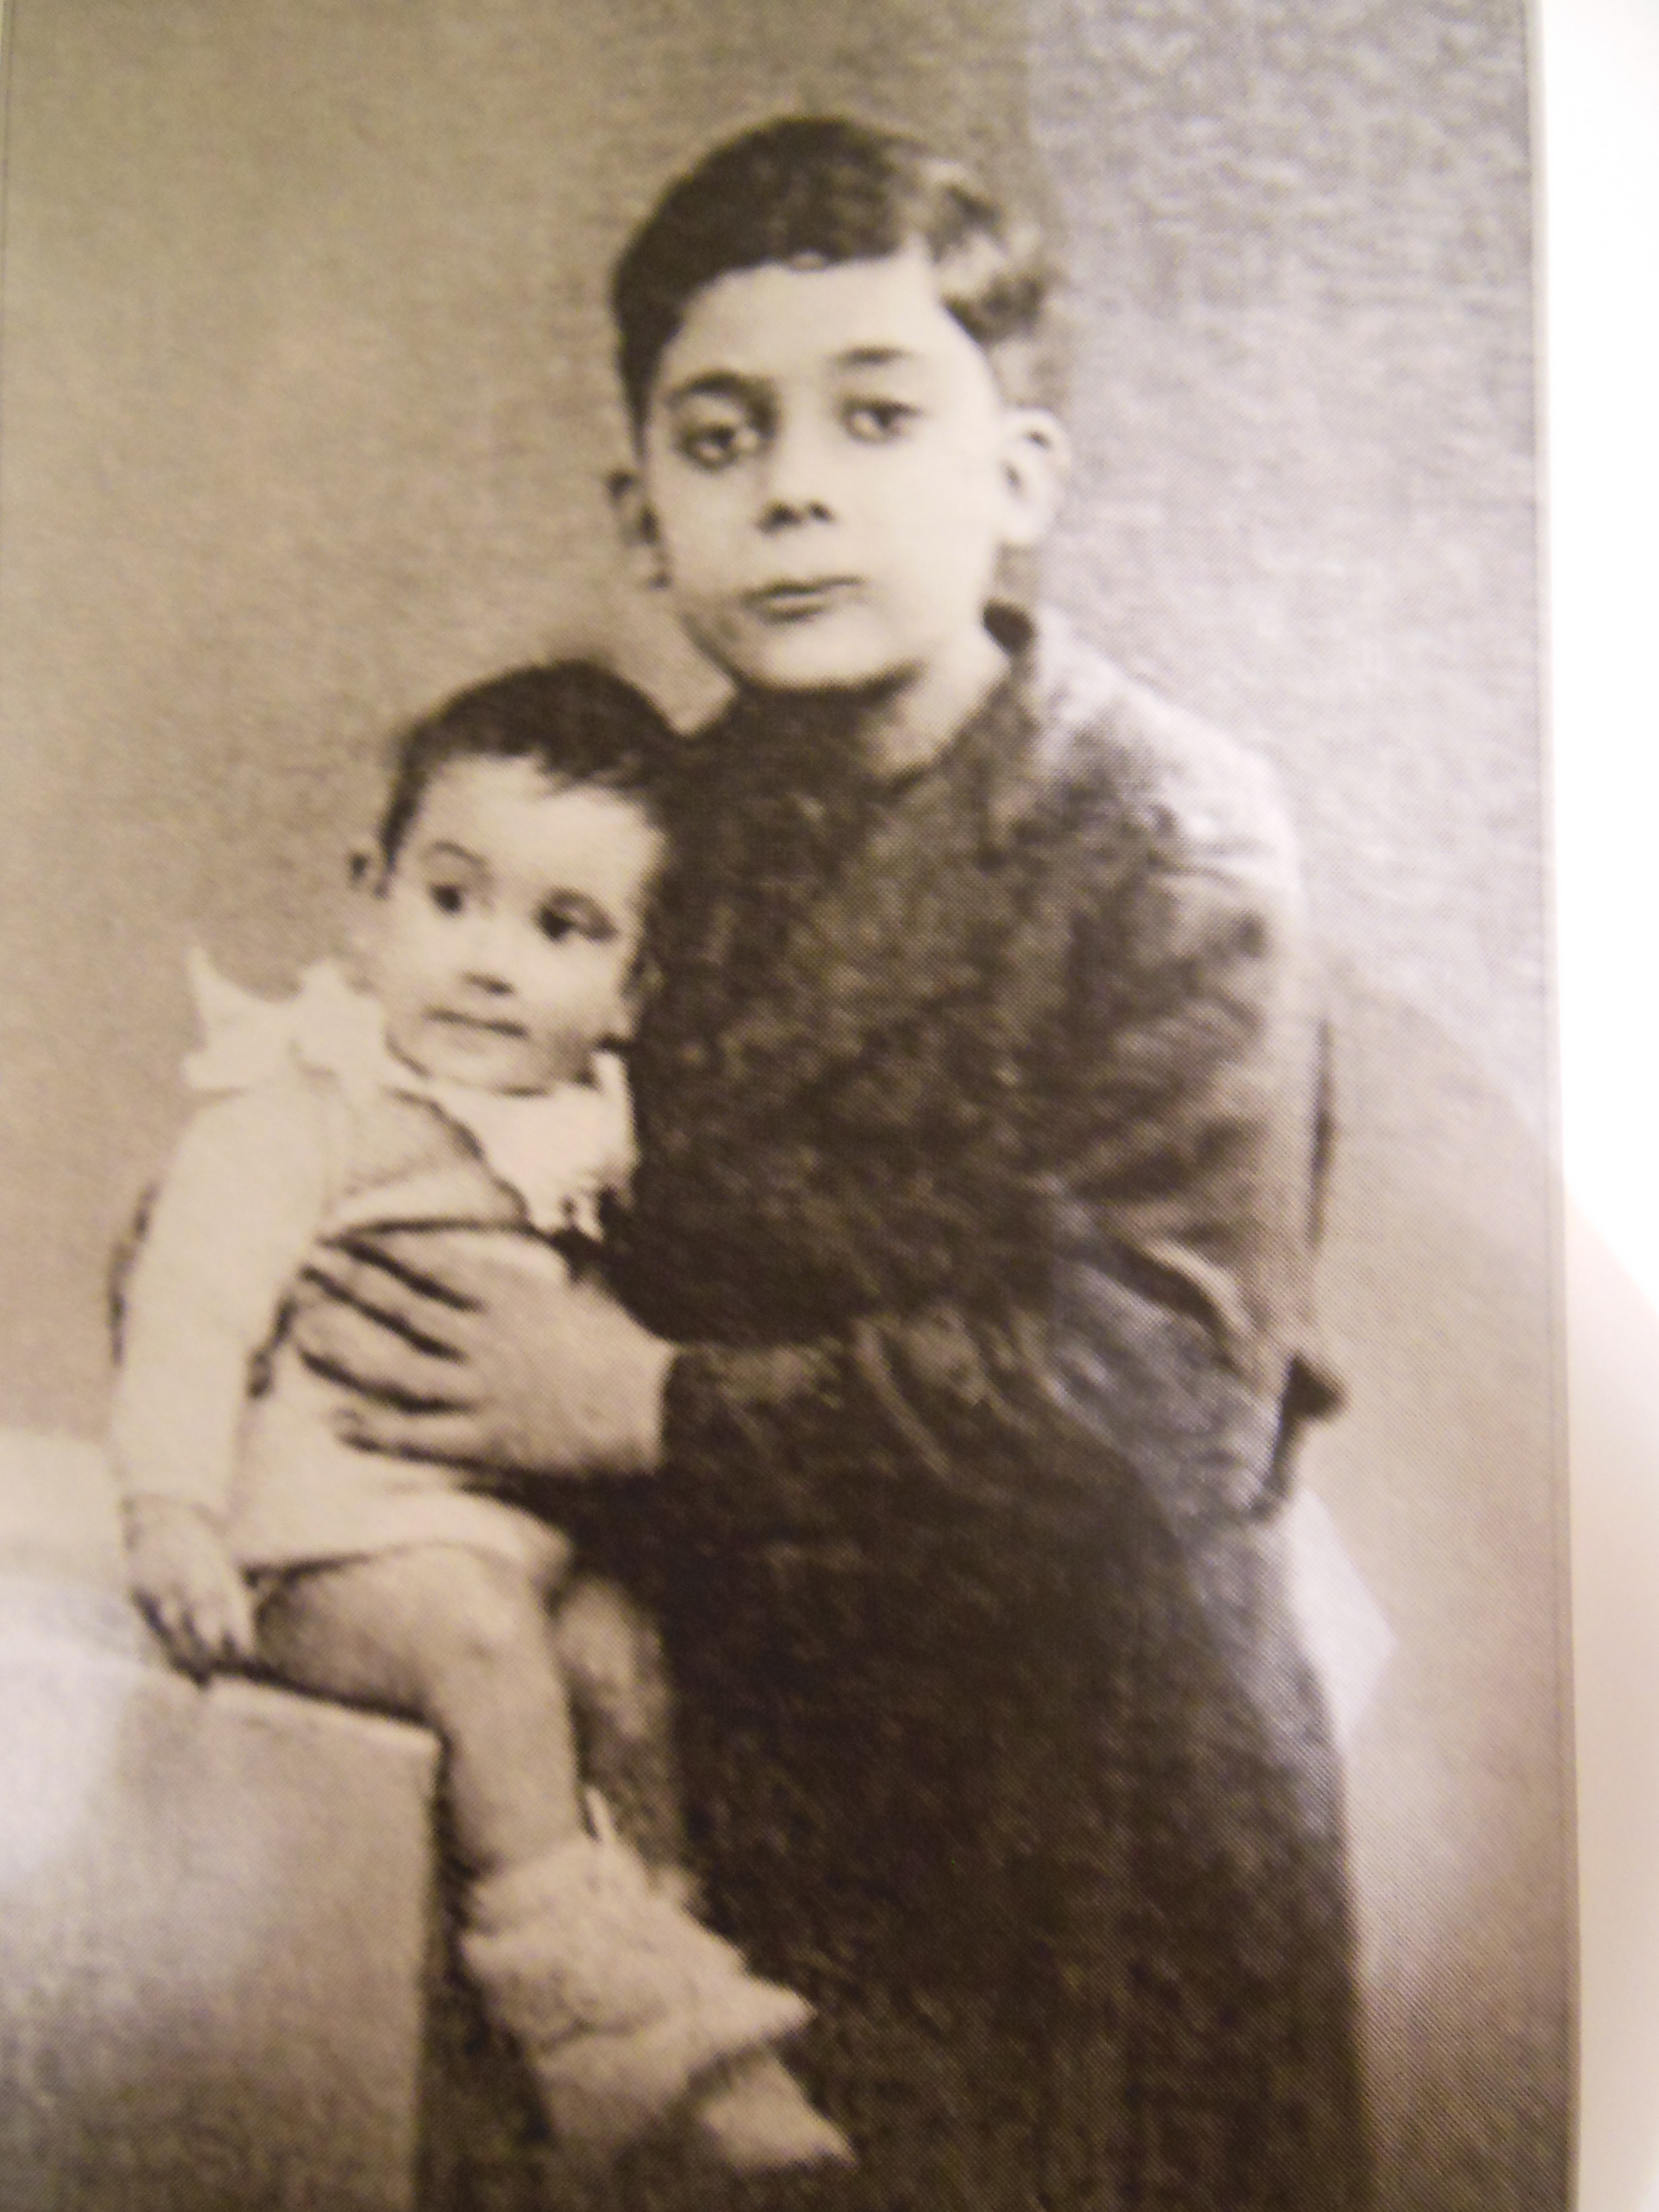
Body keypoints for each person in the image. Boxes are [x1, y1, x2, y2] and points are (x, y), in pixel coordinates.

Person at [293, 117, 1371, 2209]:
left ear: (1020, 478)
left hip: (1092, 1845)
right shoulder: (646, 847)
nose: (792, 489)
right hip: (728, 1793)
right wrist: (296, 1250)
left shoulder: (1170, 842)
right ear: (643, 519)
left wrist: (648, 1404)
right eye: (722, 440)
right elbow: (445, 1127)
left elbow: (1162, 1396)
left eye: (876, 419)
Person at [110, 660, 851, 2177]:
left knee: (619, 1657)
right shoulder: (305, 1107)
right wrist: (171, 1512)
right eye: (453, 901)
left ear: (636, 988)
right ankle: (601, 2032)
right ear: (368, 904)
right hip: (313, 1557)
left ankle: (667, 1964)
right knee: (483, 1641)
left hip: (500, 1546)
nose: (492, 966)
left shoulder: (592, 1136)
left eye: (564, 930)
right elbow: (190, 1306)